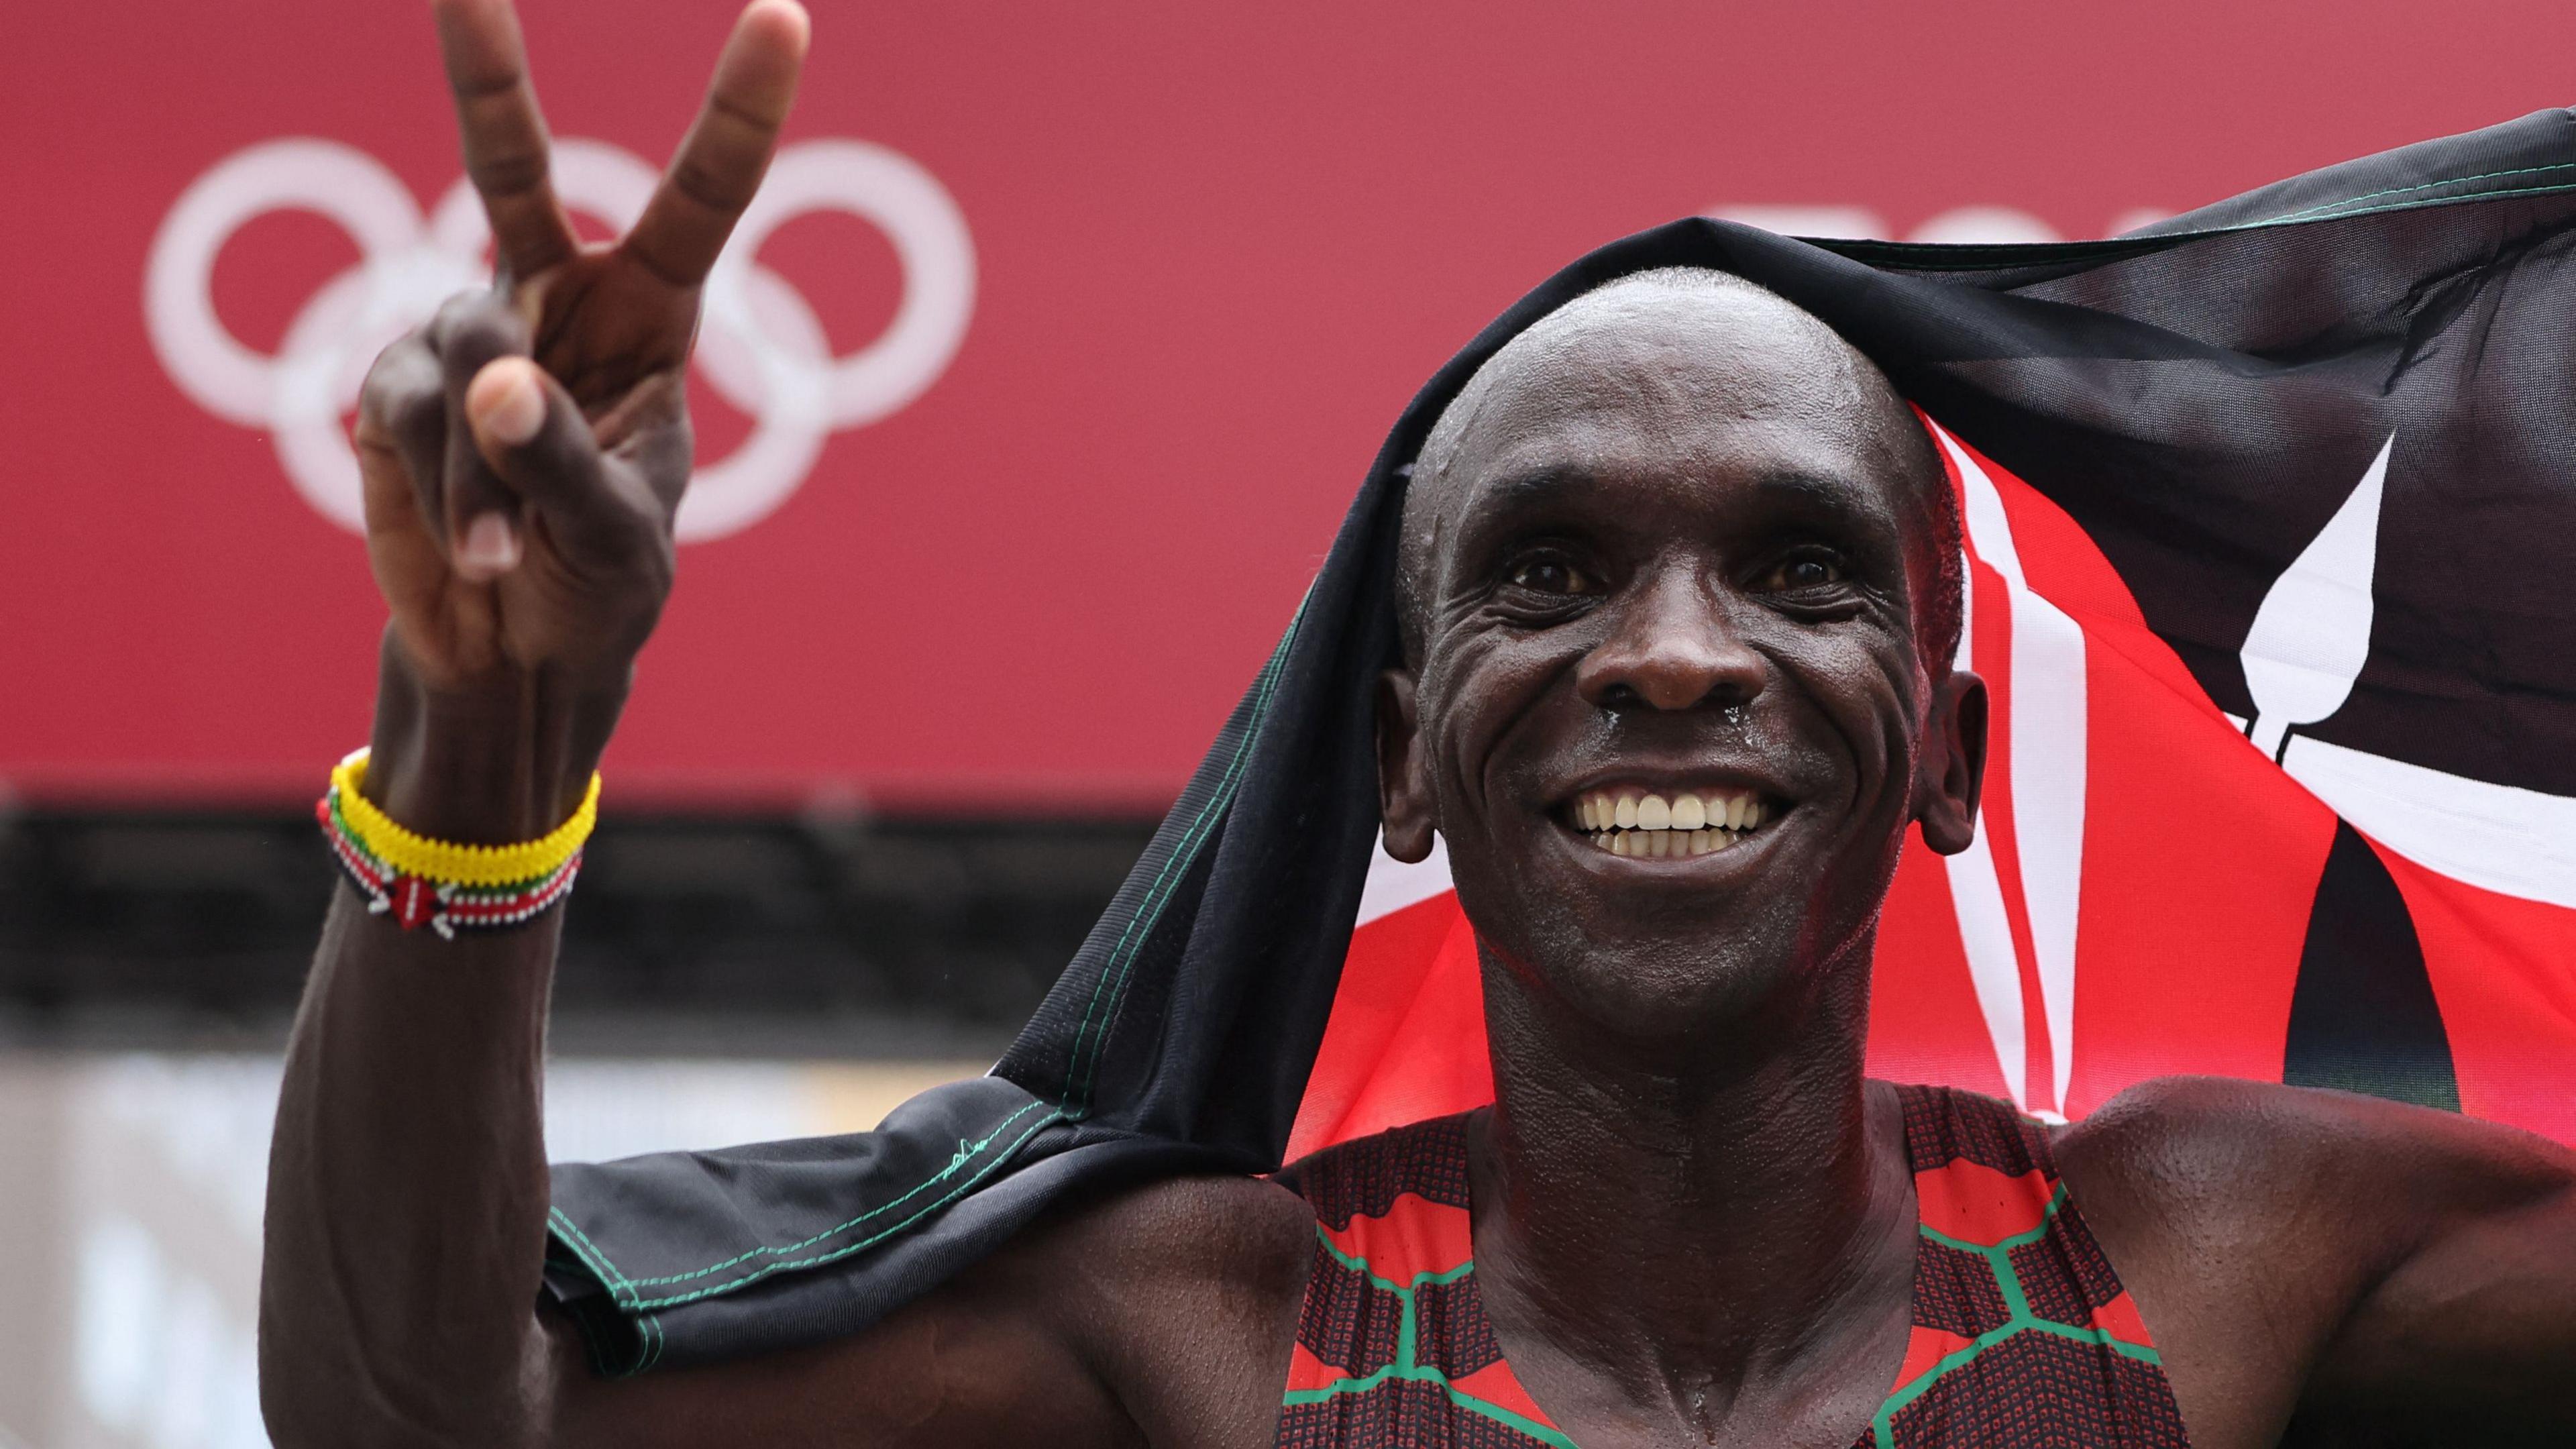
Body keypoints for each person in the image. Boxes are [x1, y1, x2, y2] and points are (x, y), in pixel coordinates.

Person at [257, 2, 2576, 1445]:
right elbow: (419, 1415)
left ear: (1952, 750)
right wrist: (492, 739)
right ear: (1394, 755)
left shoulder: (2206, 1251)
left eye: (1798, 570)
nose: (1673, 656)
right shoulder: (1204, 1330)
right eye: (1548, 574)